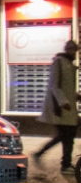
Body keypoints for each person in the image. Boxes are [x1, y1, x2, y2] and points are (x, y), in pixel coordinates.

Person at [35, 40, 79, 173]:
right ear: (67, 49)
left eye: (75, 50)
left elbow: (67, 87)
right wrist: (63, 101)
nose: (73, 52)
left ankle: (63, 162)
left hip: (68, 108)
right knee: (66, 135)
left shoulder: (70, 64)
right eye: (71, 49)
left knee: (66, 135)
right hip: (59, 108)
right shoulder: (59, 62)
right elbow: (55, 85)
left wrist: (75, 95)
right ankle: (64, 164)